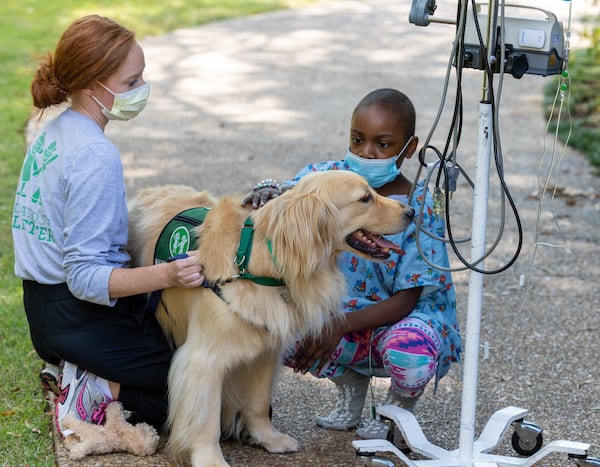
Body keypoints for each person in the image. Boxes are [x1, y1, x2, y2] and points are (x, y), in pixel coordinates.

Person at [12, 15, 205, 436]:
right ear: (92, 85)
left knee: (183, 354)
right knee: (203, 396)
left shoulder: (56, 129)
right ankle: (91, 388)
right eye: (131, 82)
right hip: (78, 316)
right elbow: (84, 277)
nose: (141, 91)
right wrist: (170, 273)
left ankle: (80, 368)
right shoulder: (93, 154)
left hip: (44, 312)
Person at [244, 88, 462, 440]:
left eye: (383, 144)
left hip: (403, 323)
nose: (366, 153)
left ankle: (396, 410)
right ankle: (351, 386)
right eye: (357, 140)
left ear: (409, 149)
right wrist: (269, 190)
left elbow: (407, 299)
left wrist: (337, 326)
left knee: (409, 353)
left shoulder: (418, 204)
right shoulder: (330, 178)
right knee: (275, 324)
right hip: (343, 320)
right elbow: (291, 192)